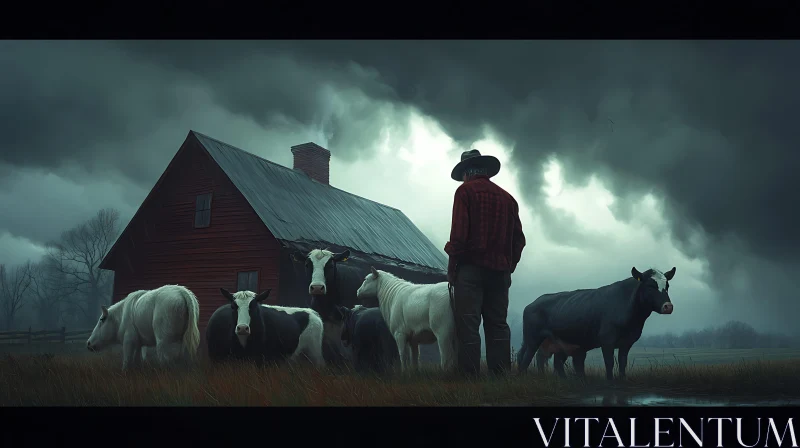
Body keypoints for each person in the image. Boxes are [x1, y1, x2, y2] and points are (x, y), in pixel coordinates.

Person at [444, 149, 526, 377]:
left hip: (470, 271)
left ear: (466, 173)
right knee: (498, 323)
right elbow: (519, 240)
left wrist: (452, 270)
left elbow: (458, 237)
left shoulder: (464, 192)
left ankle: (469, 379)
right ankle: (500, 378)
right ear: (485, 170)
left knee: (468, 325)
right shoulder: (507, 198)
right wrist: (509, 265)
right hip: (499, 272)